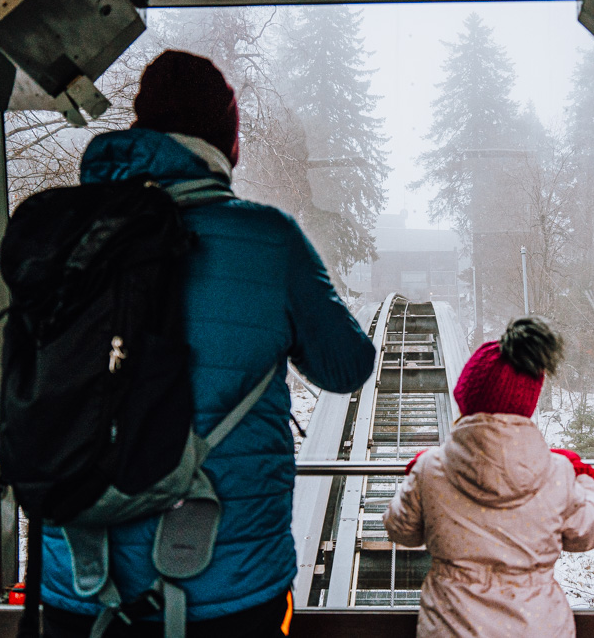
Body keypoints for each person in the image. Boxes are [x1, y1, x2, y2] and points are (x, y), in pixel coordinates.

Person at [39, 50, 376, 638]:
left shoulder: (58, 234)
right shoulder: (268, 240)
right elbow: (346, 366)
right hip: (229, 583)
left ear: (139, 129)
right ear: (229, 146)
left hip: (78, 581)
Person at [383, 317, 594, 638]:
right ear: (527, 403)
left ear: (467, 399)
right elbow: (588, 534)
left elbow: (400, 531)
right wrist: (582, 478)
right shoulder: (558, 472)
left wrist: (415, 477)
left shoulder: (431, 469)